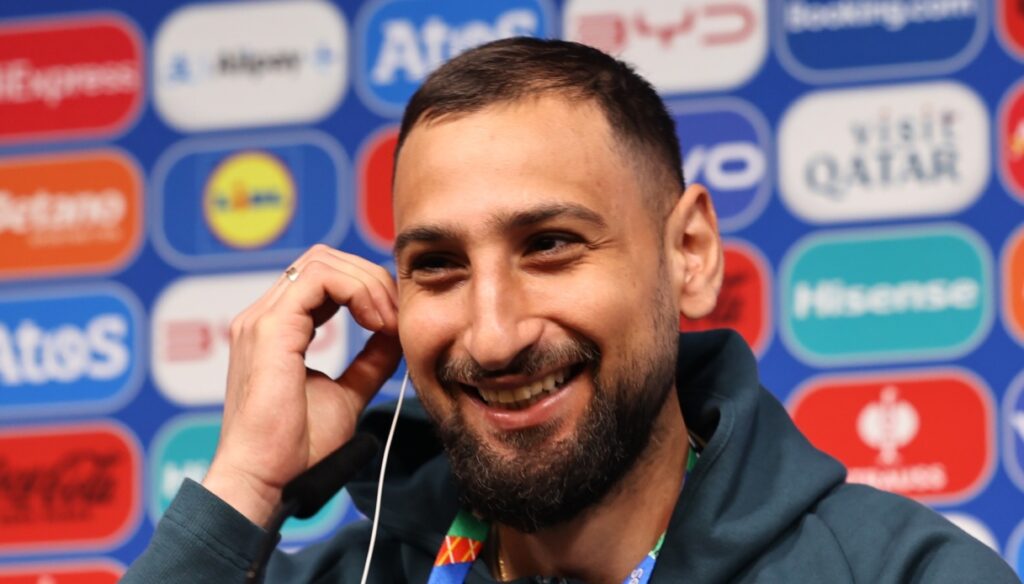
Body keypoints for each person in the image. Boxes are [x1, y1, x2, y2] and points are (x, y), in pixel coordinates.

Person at [123, 38, 1019, 583]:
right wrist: (244, 489)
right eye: (438, 266)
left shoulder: (901, 573)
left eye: (550, 244)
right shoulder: (342, 576)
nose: (494, 335)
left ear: (690, 254)